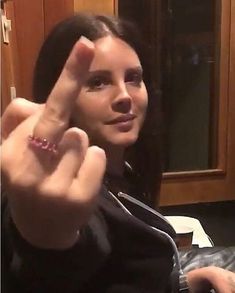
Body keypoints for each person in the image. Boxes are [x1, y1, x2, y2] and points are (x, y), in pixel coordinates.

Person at [1, 13, 235, 293]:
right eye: (98, 82)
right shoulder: (63, 194)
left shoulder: (126, 167)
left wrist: (185, 282)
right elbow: (55, 265)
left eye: (134, 78)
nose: (125, 96)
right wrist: (43, 238)